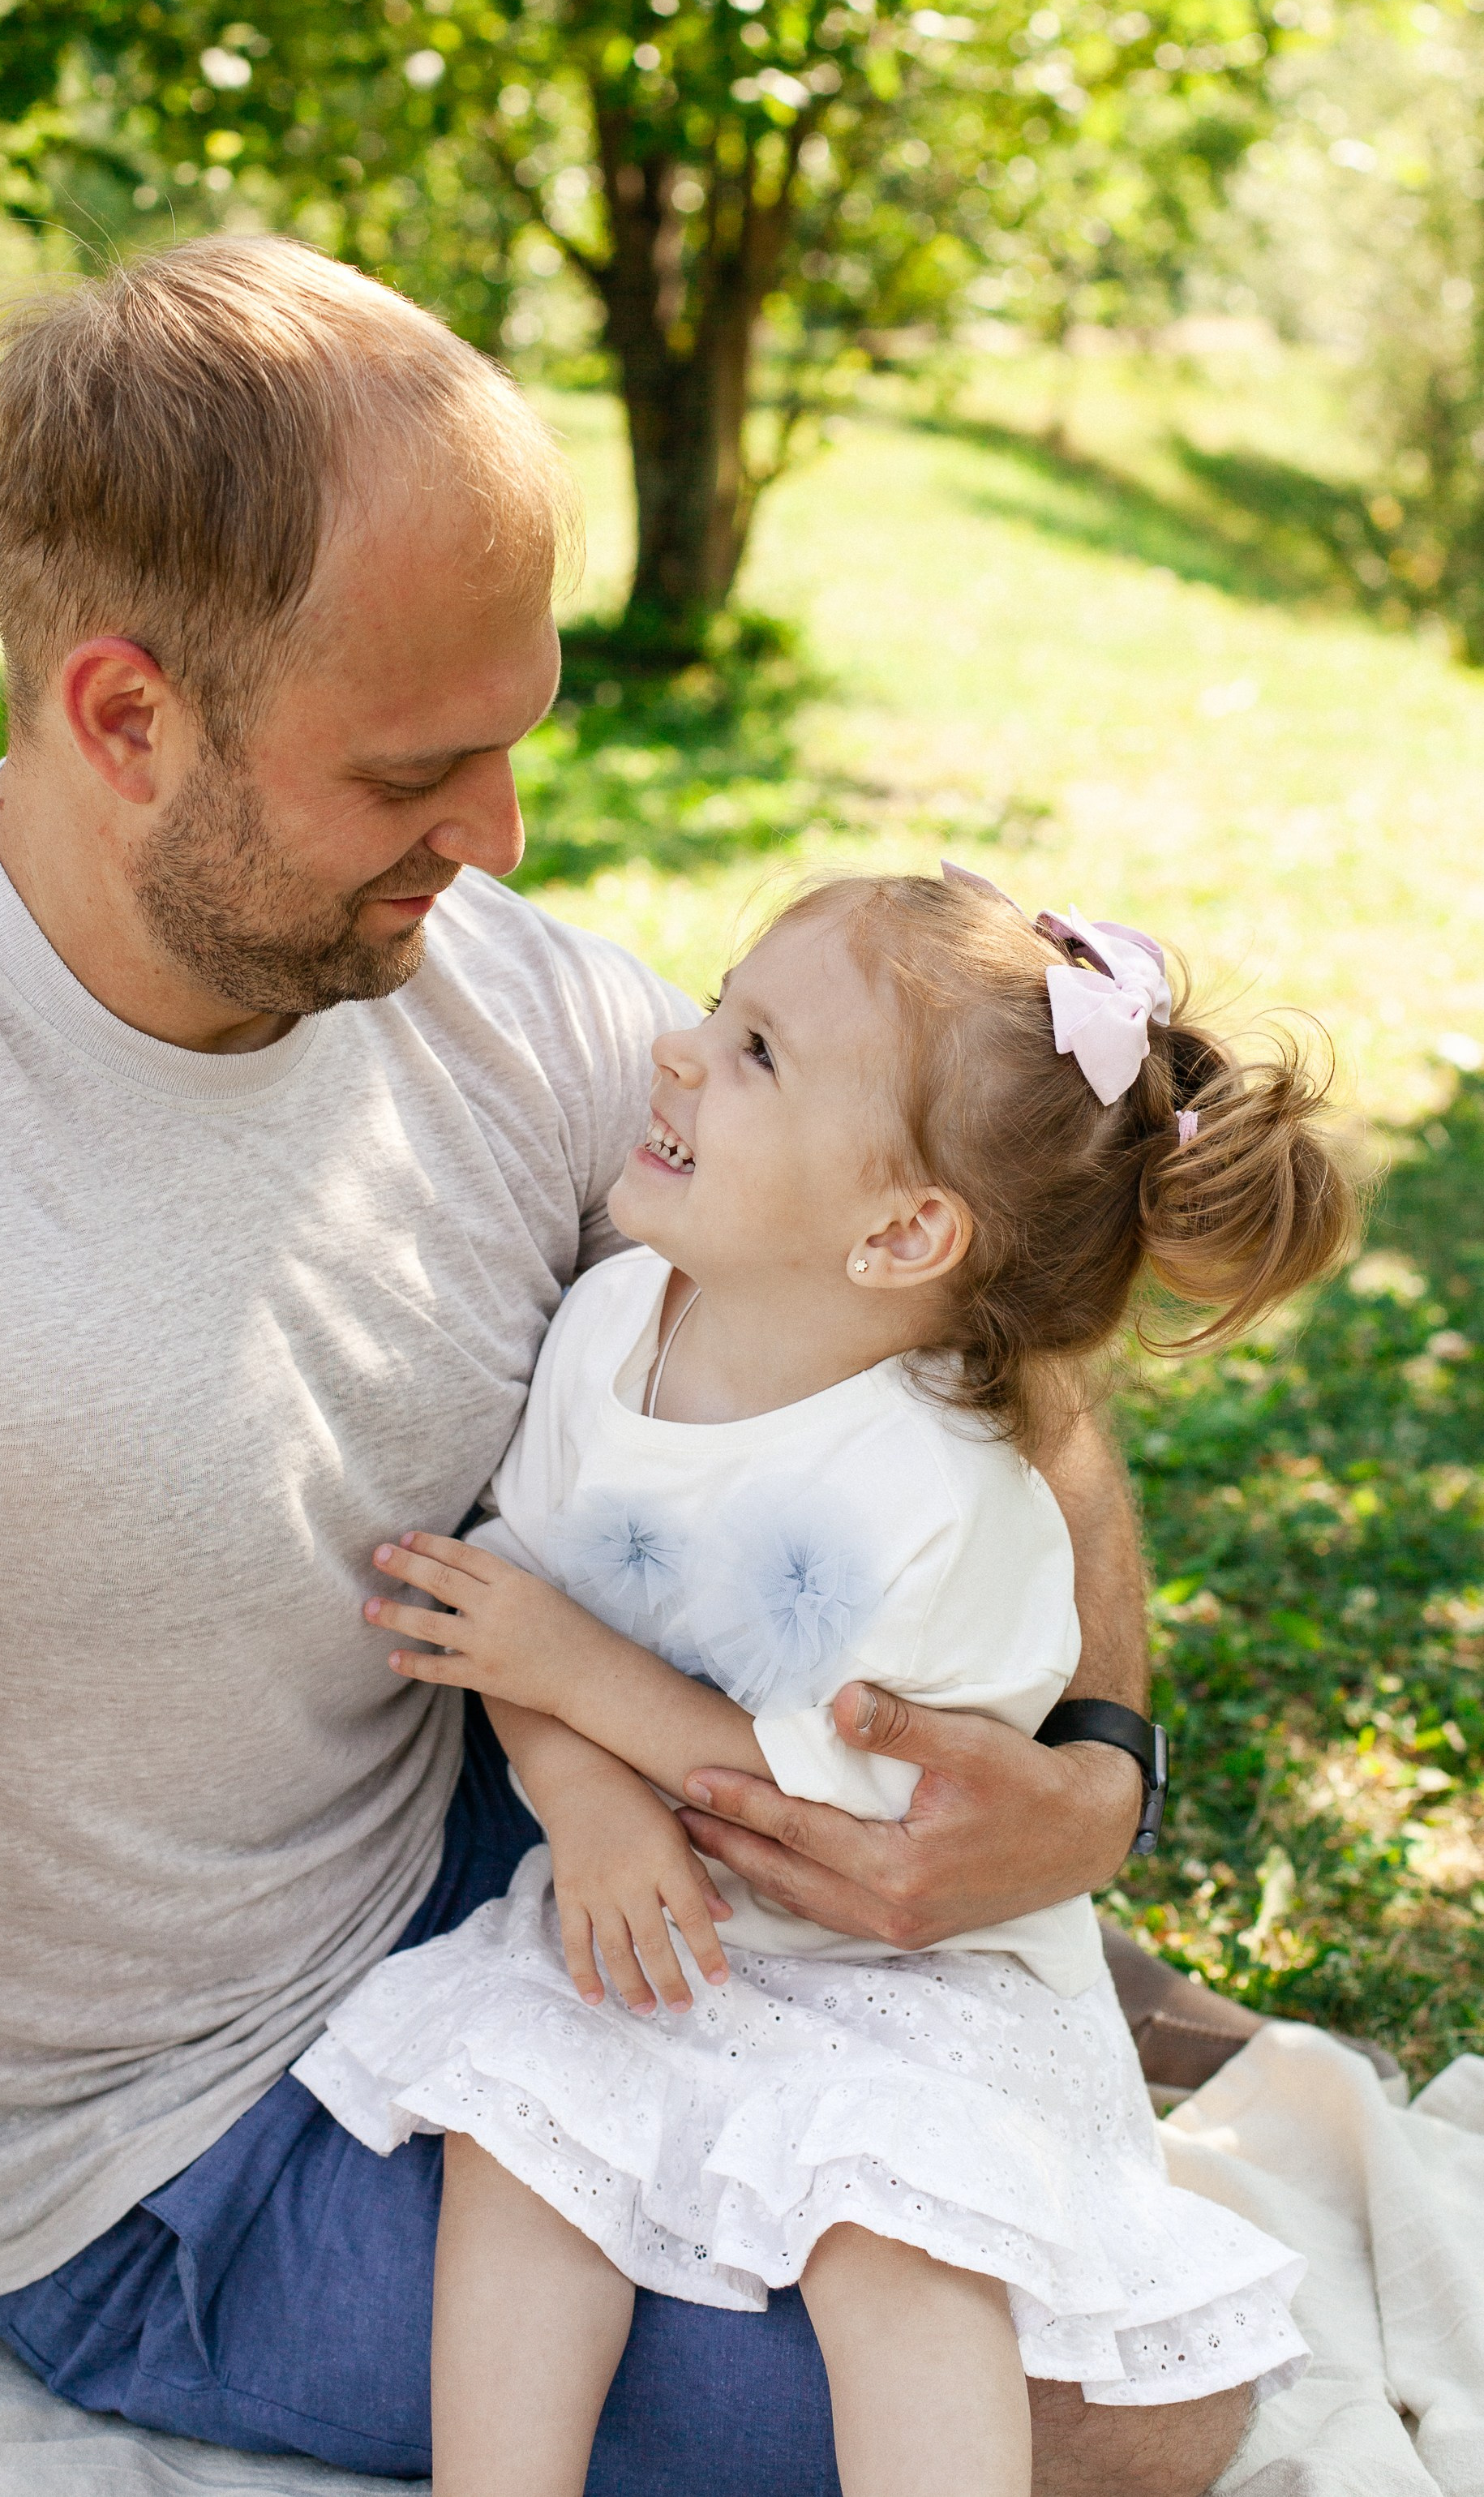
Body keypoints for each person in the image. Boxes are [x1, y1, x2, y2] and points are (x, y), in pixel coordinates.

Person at [0, 234, 1240, 2497]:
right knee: (1129, 2405)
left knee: (1084, 2274)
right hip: (161, 2142)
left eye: (514, 742)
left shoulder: (488, 994)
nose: (501, 841)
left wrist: (1088, 1775)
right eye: (416, 769)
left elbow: (977, 1335)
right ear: (124, 715)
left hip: (520, 1852)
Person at [295, 872, 1354, 2497]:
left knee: (893, 2228)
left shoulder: (944, 1496)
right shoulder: (614, 1327)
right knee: (523, 2141)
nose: (673, 1049)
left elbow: (855, 1821)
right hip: (663, 1904)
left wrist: (577, 1678)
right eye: (719, 1005)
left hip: (904, 1970)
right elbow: (502, 1614)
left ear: (902, 1230)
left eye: (757, 1051)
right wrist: (580, 1800)